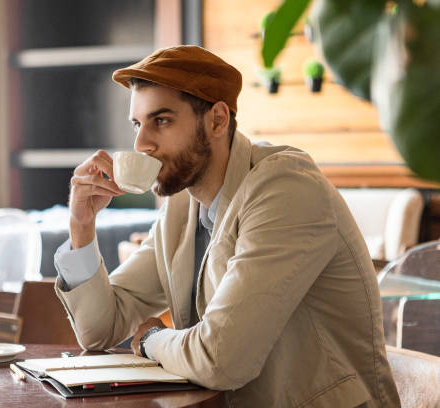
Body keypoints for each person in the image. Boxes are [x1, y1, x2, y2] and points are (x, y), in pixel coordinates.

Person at [53, 45, 400, 407]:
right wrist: (82, 225)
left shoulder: (286, 189)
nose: (141, 144)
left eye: (162, 120)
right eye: (138, 124)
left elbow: (221, 358)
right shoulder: (181, 206)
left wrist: (152, 340)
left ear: (217, 120)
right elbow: (99, 330)